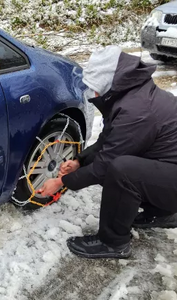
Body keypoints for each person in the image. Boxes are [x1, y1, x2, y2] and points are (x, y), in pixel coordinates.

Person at [37, 45, 177, 259]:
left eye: (95, 87)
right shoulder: (131, 95)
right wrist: (80, 162)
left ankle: (113, 243)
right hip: (168, 169)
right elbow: (109, 140)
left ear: (108, 82)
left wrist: (62, 182)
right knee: (122, 166)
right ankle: (163, 212)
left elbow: (105, 166)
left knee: (122, 171)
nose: (93, 93)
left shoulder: (137, 111)